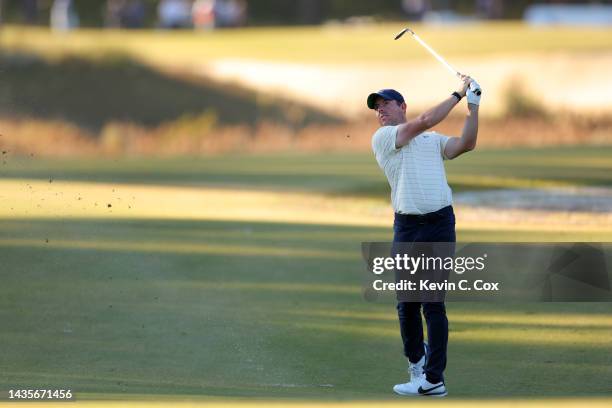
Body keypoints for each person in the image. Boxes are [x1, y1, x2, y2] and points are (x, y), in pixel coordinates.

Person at [367, 74, 481, 397]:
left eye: (385, 104)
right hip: (407, 227)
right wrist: (458, 94)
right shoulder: (385, 139)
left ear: (401, 106)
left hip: (439, 225)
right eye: (376, 108)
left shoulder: (431, 141)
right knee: (406, 304)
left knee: (433, 304)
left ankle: (434, 379)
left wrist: (473, 108)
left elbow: (465, 144)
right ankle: (416, 364)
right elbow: (425, 119)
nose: (380, 111)